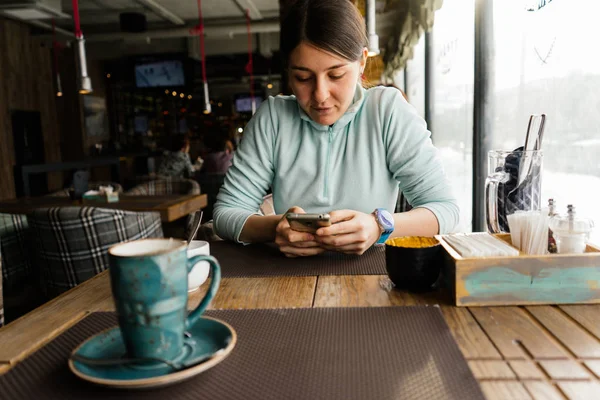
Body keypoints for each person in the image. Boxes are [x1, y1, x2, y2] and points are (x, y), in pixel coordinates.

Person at [214, 0, 459, 257]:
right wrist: (276, 228)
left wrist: (379, 226)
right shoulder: (273, 118)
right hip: (288, 278)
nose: (320, 95)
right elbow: (226, 212)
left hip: (373, 277)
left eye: (336, 75)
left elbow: (445, 209)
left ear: (362, 62)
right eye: (303, 77)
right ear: (288, 71)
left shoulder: (388, 111)